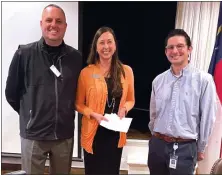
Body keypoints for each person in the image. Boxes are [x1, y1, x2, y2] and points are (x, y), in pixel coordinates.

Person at [5, 4, 82, 174]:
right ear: (42, 23)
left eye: (59, 21)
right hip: (33, 135)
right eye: (49, 20)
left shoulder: (75, 58)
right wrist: (31, 115)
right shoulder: (23, 54)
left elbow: (78, 93)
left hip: (64, 134)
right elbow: (11, 93)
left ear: (65, 26)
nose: (53, 24)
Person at [148, 29, 217, 175]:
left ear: (189, 49)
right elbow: (153, 114)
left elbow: (208, 118)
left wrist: (201, 147)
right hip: (158, 146)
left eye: (180, 46)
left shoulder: (204, 80)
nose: (175, 51)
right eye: (170, 48)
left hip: (185, 147)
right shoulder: (158, 80)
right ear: (166, 51)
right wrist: (155, 139)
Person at [75, 26, 135, 174]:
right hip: (93, 133)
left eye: (110, 42)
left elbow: (131, 100)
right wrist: (92, 114)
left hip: (115, 134)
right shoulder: (86, 73)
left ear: (115, 45)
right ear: (96, 46)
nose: (106, 46)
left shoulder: (126, 71)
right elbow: (78, 103)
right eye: (102, 42)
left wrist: (124, 108)